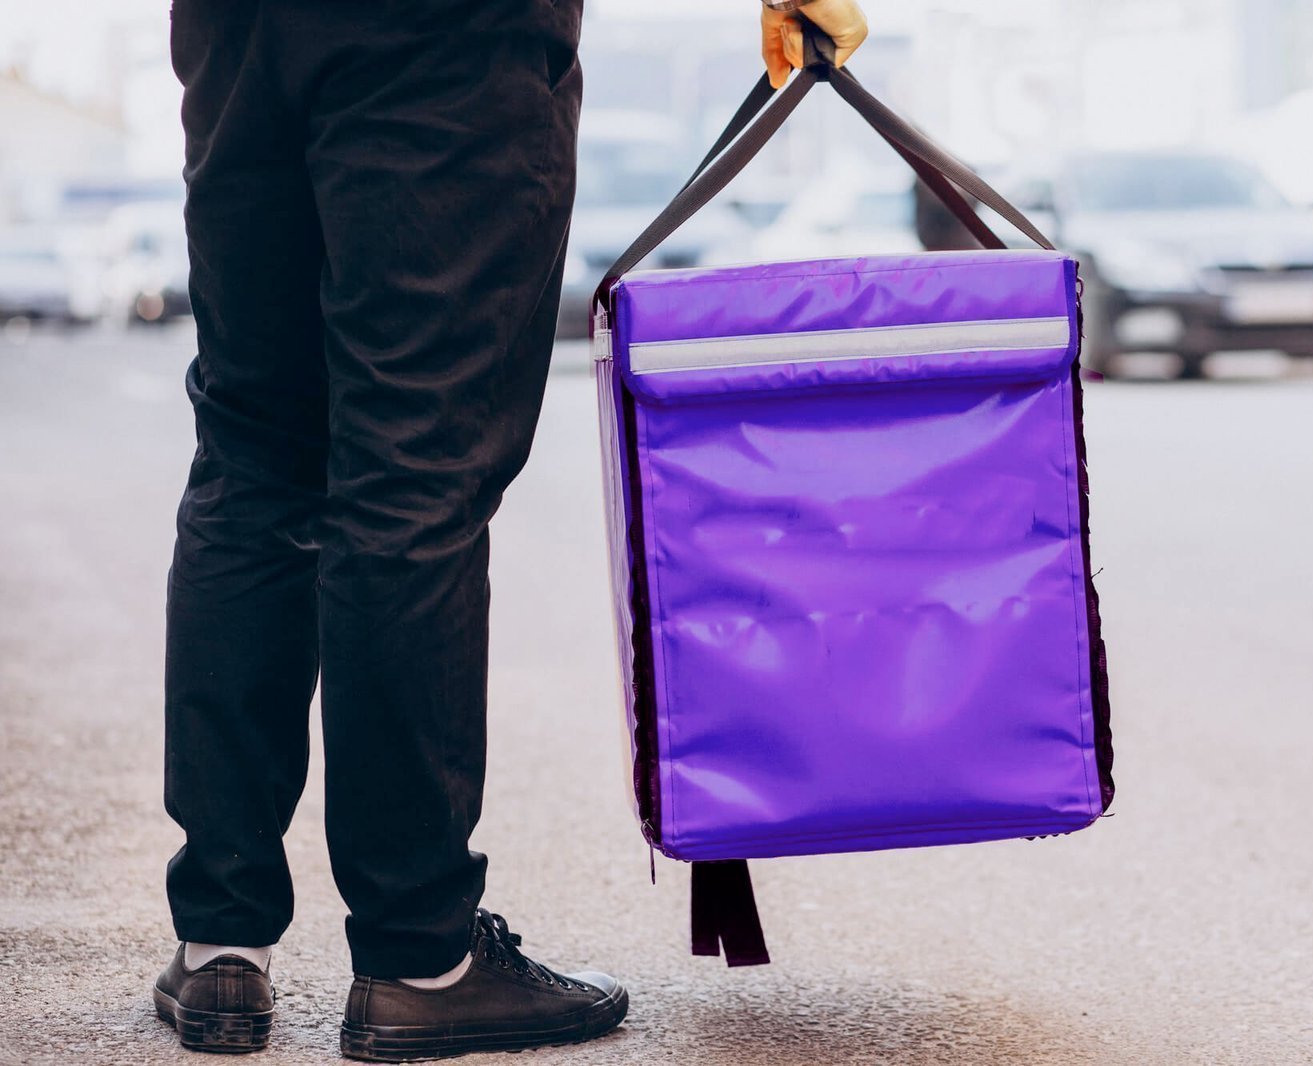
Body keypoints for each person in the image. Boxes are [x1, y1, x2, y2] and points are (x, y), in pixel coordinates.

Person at [153, 0, 867, 1059]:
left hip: (239, 28)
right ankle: (418, 960)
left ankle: (221, 944)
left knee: (251, 456)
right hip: (446, 37)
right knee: (413, 464)